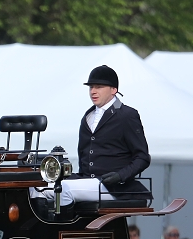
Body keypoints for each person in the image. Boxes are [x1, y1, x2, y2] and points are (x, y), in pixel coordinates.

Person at [30, 65, 151, 209]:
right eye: (91, 87)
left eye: (99, 87)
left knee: (63, 190)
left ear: (114, 90)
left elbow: (142, 157)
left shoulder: (127, 115)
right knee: (35, 187)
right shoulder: (88, 116)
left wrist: (120, 176)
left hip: (114, 186)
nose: (93, 91)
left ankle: (69, 229)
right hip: (87, 181)